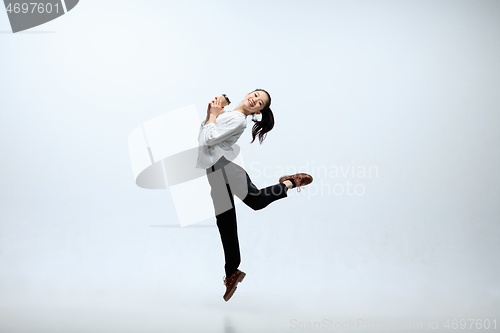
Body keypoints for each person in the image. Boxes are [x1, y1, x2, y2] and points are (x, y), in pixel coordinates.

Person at [196, 89, 313, 302]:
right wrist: (209, 116)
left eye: (260, 103)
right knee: (225, 222)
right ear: (249, 92)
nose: (255, 99)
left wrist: (213, 117)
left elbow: (210, 139)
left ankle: (290, 182)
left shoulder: (239, 120)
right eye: (256, 95)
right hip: (213, 171)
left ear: (258, 111)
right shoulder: (227, 114)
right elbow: (203, 140)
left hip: (226, 166)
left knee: (256, 201)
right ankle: (232, 272)